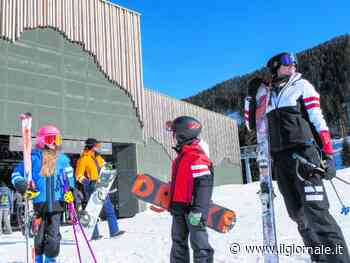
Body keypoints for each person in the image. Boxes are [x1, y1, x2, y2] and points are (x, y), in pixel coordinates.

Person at [250, 52, 350, 263]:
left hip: (305, 157)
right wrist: (252, 99)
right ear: (275, 66)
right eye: (287, 62)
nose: (293, 65)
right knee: (298, 216)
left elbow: (318, 120)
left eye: (294, 62)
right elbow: (253, 126)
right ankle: (320, 259)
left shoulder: (301, 86)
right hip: (280, 161)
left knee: (317, 215)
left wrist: (329, 154)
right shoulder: (266, 95)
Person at [11, 124, 75, 263]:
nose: (54, 143)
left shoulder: (62, 159)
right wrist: (22, 185)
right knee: (38, 238)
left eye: (57, 139)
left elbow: (69, 177)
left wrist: (70, 191)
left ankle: (50, 260)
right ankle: (38, 259)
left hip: (56, 204)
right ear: (42, 140)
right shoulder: (33, 158)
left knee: (53, 239)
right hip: (37, 206)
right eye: (51, 138)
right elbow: (16, 174)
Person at [166, 116, 214, 263]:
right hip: (179, 209)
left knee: (200, 246)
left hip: (193, 210)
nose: (173, 137)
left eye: (174, 133)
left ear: (183, 134)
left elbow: (204, 185)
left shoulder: (196, 156)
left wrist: (199, 210)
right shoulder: (182, 156)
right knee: (178, 244)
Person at [75, 138, 123, 240]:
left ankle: (114, 231)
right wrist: (88, 182)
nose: (98, 148)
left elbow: (105, 166)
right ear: (91, 147)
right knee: (93, 211)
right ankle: (94, 234)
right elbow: (78, 175)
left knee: (109, 208)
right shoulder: (83, 159)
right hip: (91, 185)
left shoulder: (97, 157)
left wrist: (112, 166)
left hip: (101, 184)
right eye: (96, 146)